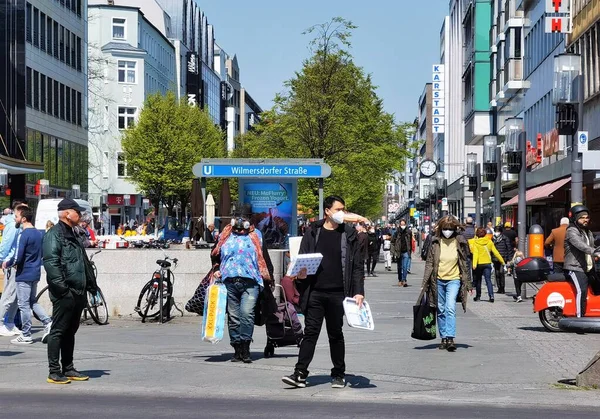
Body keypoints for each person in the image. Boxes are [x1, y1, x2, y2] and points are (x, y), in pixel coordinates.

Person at [282, 195, 364, 389]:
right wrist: (299, 274)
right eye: (338, 209)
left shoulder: (349, 234)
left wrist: (359, 291)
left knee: (335, 333)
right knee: (310, 333)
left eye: (343, 209)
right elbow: (301, 259)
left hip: (338, 293)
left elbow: (357, 266)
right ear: (327, 211)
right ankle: (300, 373)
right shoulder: (312, 232)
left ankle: (338, 373)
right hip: (315, 292)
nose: (341, 213)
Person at [211, 211, 271, 364]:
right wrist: (216, 268)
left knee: (246, 314)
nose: (239, 225)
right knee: (233, 317)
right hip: (229, 280)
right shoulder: (225, 233)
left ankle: (246, 348)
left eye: (243, 221)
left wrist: (268, 278)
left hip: (251, 281)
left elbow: (263, 256)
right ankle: (237, 349)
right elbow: (215, 253)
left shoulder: (256, 235)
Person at [43, 198, 92, 384]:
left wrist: (90, 285)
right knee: (58, 330)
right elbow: (51, 263)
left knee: (70, 330)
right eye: (76, 212)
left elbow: (83, 262)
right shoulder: (54, 235)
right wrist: (63, 290)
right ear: (66, 213)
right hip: (64, 291)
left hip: (78, 290)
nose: (79, 215)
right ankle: (54, 371)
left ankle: (68, 368)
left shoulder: (73, 233)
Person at [421, 216, 471, 352]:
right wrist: (425, 282)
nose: (447, 231)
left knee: (450, 307)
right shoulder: (436, 242)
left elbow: (465, 263)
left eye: (450, 229)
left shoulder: (459, 242)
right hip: (437, 280)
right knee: (441, 309)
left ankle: (450, 337)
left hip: (454, 279)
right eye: (445, 229)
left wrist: (468, 283)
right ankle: (443, 337)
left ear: (455, 229)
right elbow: (430, 263)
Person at [6, 206, 52, 345]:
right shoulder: (38, 234)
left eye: (17, 216)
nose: (15, 218)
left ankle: (26, 334)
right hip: (35, 272)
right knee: (32, 301)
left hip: (24, 273)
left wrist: (7, 264)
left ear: (23, 218)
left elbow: (18, 257)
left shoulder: (23, 234)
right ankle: (48, 322)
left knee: (23, 304)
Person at [564, 205, 596, 317]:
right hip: (575, 267)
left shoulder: (587, 232)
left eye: (587, 217)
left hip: (588, 267)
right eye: (582, 217)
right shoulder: (571, 231)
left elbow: (593, 245)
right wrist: (594, 252)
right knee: (582, 291)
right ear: (575, 218)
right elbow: (580, 245)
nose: (585, 220)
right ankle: (579, 318)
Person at [0, 201, 26, 337]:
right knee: (9, 295)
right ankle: (1, 323)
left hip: (16, 262)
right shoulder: (13, 226)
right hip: (10, 263)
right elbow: (6, 245)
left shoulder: (18, 225)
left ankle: (9, 322)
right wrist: (2, 260)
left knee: (15, 296)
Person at [469, 227, 505, 303]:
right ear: (485, 234)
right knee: (488, 280)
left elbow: (475, 254)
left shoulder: (476, 243)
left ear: (477, 234)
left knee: (479, 281)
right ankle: (491, 296)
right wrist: (502, 261)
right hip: (487, 264)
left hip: (479, 264)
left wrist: (474, 264)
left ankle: (478, 296)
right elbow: (496, 253)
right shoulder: (489, 242)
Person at [492, 226, 512, 294]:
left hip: (503, 258)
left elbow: (509, 248)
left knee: (501, 272)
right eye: (495, 231)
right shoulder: (492, 238)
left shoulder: (505, 238)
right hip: (495, 258)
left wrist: (509, 259)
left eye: (497, 231)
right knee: (496, 273)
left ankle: (502, 288)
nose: (496, 233)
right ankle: (499, 288)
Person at [395, 219, 412, 287]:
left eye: (403, 224)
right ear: (399, 225)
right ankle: (400, 280)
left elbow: (410, 242)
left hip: (406, 252)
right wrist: (393, 252)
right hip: (399, 251)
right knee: (399, 267)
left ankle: (404, 280)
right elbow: (393, 241)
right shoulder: (397, 232)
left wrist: (410, 251)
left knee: (405, 267)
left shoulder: (409, 232)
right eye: (401, 224)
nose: (402, 226)